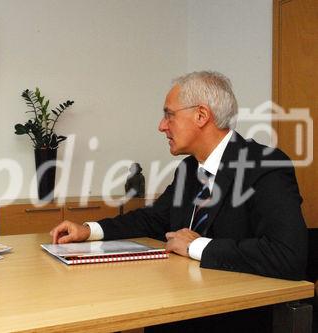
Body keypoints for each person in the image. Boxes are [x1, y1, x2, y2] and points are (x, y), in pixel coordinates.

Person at [51, 71, 308, 282]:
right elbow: (153, 219)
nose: (161, 126)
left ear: (201, 115)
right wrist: (88, 230)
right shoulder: (188, 168)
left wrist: (196, 247)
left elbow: (288, 256)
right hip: (182, 298)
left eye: (169, 115)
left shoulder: (264, 166)